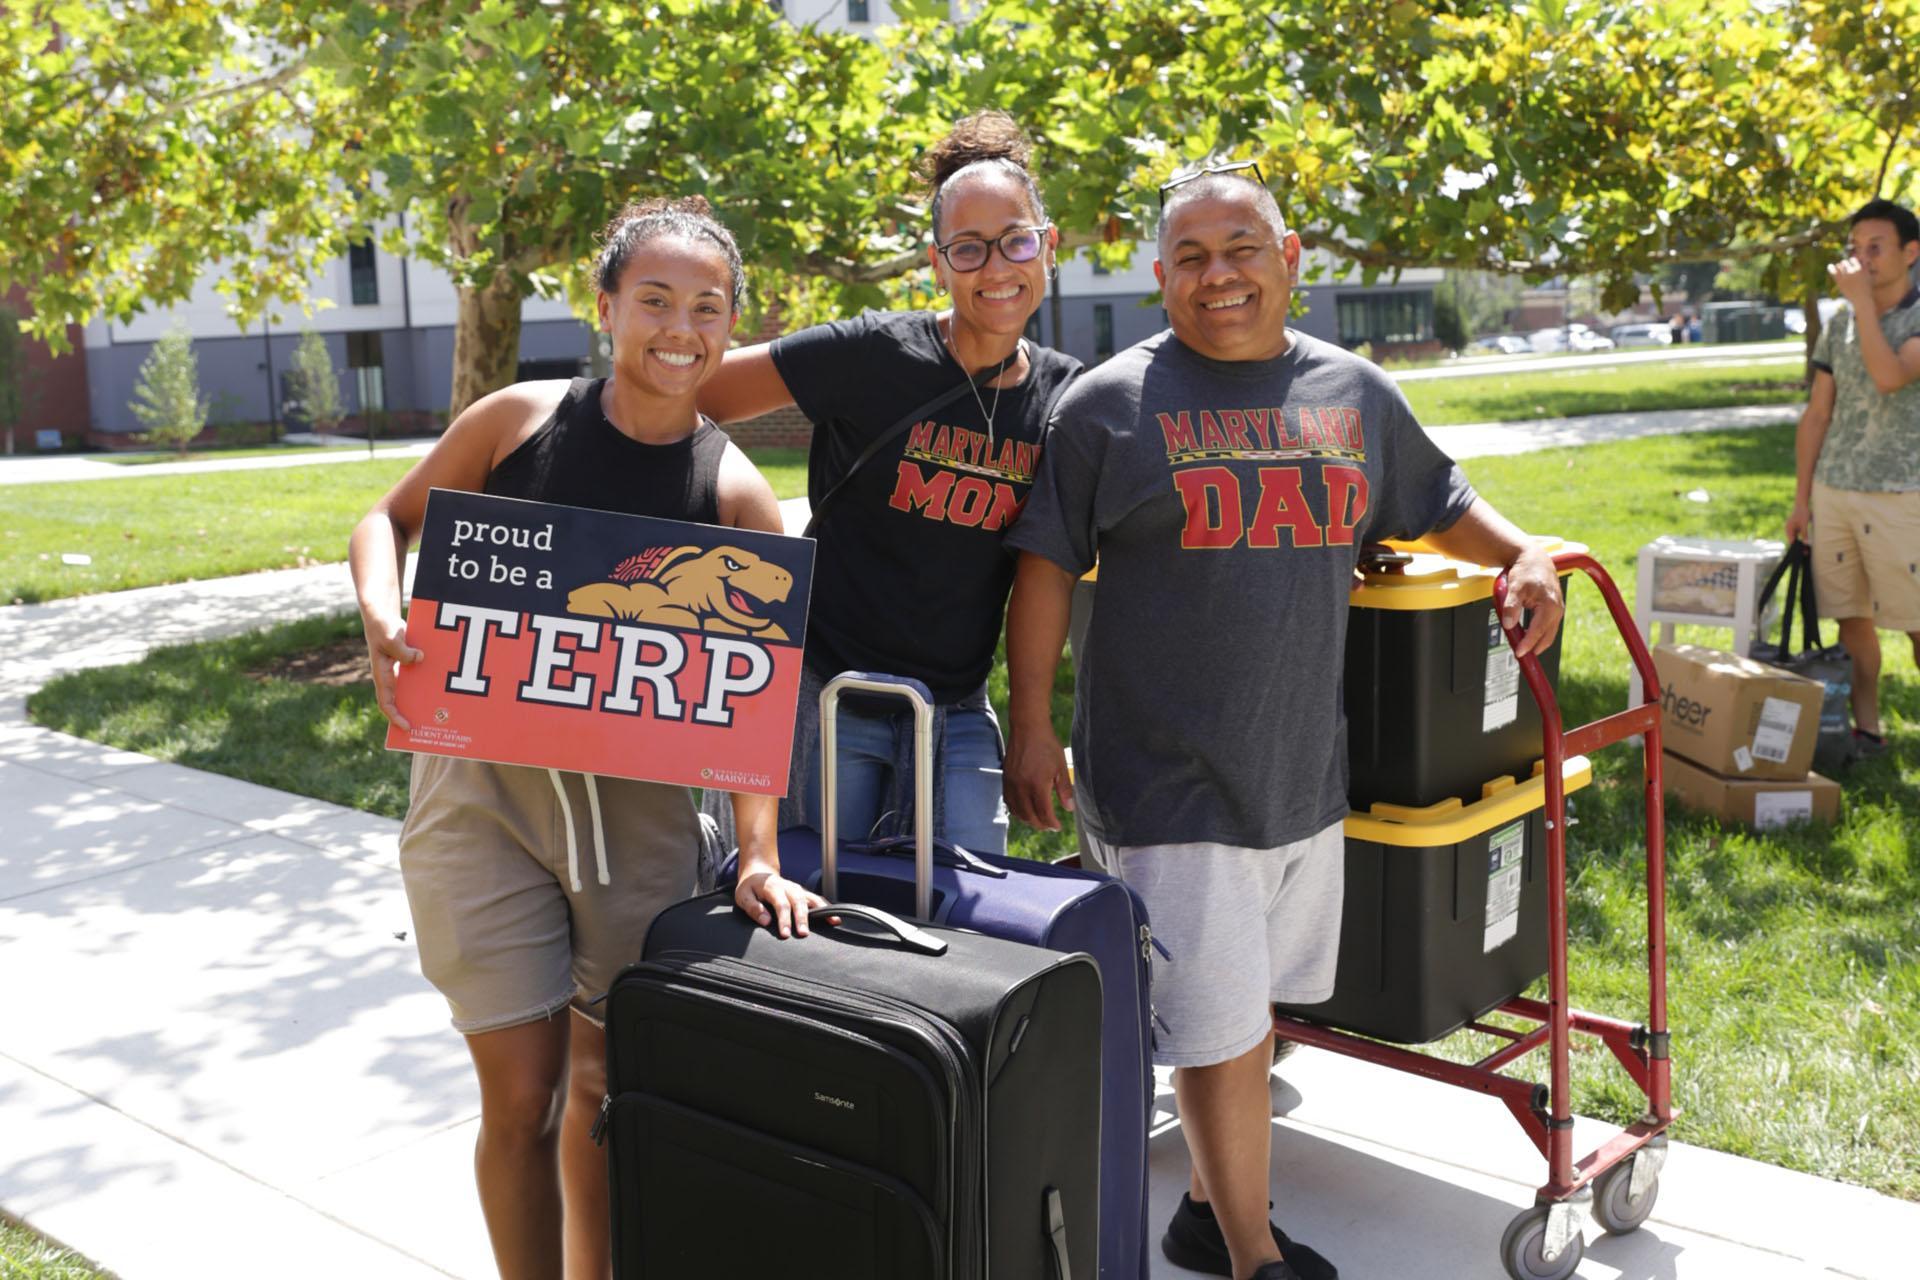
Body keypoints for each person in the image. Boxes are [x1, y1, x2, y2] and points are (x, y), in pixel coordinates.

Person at [1002, 166, 1564, 1280]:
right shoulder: (1107, 405)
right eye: (1193, 258)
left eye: (1241, 248)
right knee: (1215, 1031)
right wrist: (1028, 718)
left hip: (1303, 772)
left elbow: (1441, 499)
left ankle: (1209, 1209)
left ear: (1290, 254)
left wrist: (1529, 552)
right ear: (1160, 274)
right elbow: (1045, 565)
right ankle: (1256, 1258)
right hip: (1165, 776)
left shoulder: (1349, 389)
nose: (1220, 275)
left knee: (1251, 1008)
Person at [349, 196, 825, 1280]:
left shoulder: (737, 493)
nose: (680, 326)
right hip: (482, 801)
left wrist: (758, 853)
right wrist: (384, 610)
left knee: (605, 1090)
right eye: (654, 298)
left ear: (732, 323)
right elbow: (386, 519)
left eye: (707, 306)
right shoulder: (518, 420)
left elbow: (759, 700)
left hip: (640, 823)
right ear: (606, 305)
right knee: (523, 1097)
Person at [697, 110, 1080, 856]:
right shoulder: (871, 353)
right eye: (967, 250)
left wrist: (1033, 725)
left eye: (1017, 241)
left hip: (956, 704)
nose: (996, 268)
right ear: (937, 264)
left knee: (964, 906)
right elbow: (691, 396)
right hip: (819, 690)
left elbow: (1048, 567)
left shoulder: (1067, 398)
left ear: (1049, 245)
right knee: (809, 905)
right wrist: (744, 517)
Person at [1783, 197, 1920, 756]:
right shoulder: (1839, 321)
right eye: (1855, 248)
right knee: (1851, 620)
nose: (1861, 259)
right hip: (1834, 493)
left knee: (1916, 624)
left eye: (1875, 248)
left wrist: (1861, 302)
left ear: (1912, 253)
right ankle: (1867, 731)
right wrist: (1801, 501)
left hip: (1902, 494)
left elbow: (1890, 377)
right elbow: (1818, 413)